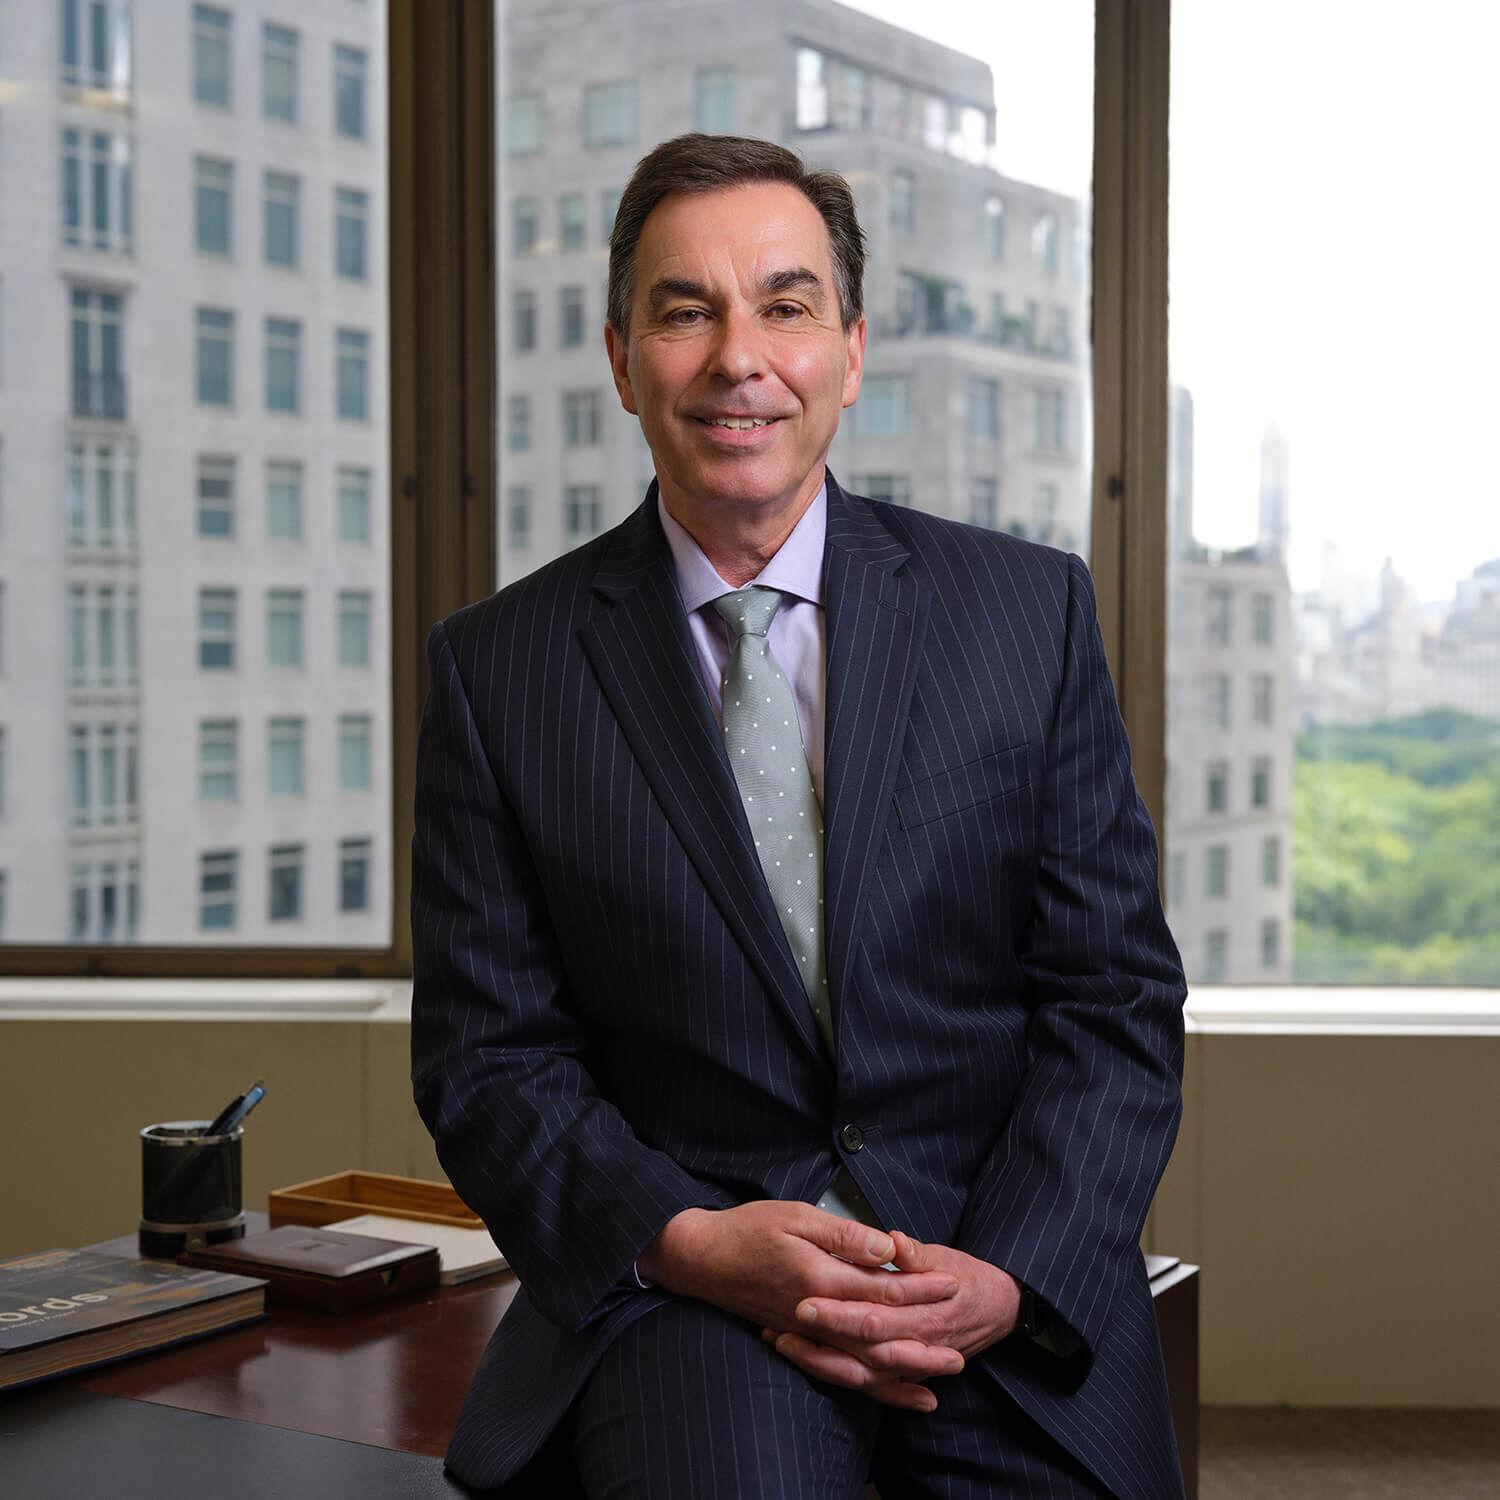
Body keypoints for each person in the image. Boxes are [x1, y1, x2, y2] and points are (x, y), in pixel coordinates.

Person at [412, 133, 1187, 1500]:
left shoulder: (1028, 613)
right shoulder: (500, 670)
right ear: (619, 358)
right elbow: (490, 1061)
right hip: (697, 1294)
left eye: (784, 304)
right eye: (684, 310)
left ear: (850, 348)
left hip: (990, 1269)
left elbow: (1112, 998)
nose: (737, 358)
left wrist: (1008, 1273)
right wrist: (694, 1241)